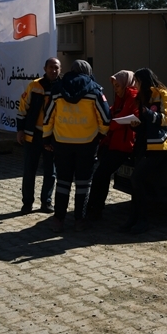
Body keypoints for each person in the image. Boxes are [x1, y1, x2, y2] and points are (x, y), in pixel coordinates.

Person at [42, 60, 110, 232]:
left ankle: (58, 219)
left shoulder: (57, 89)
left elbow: (48, 116)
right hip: (87, 144)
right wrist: (100, 134)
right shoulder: (95, 90)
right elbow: (105, 118)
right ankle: (80, 220)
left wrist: (46, 139)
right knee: (83, 184)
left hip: (61, 143)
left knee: (63, 181)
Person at [120, 68, 167, 235]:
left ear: (144, 80)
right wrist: (134, 124)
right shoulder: (142, 97)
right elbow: (145, 122)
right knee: (136, 182)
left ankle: (143, 220)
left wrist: (149, 113)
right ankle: (134, 218)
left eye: (137, 81)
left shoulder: (164, 95)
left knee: (137, 179)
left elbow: (166, 120)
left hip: (158, 146)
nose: (135, 85)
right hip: (142, 144)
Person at [86, 70, 139, 222]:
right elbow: (112, 112)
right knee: (101, 177)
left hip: (122, 146)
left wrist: (108, 122)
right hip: (113, 144)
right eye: (114, 85)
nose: (115, 88)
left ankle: (94, 209)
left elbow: (122, 118)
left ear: (126, 84)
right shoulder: (121, 98)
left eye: (118, 85)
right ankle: (95, 209)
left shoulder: (132, 96)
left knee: (100, 176)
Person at [16, 57, 60, 214]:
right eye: (51, 67)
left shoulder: (62, 88)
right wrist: (20, 130)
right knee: (29, 170)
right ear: (45, 68)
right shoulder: (34, 86)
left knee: (51, 172)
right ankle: (27, 203)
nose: (54, 71)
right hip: (33, 135)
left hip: (52, 136)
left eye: (56, 68)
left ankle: (46, 202)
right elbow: (22, 108)